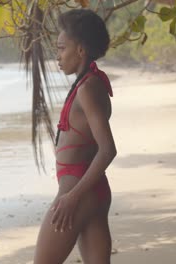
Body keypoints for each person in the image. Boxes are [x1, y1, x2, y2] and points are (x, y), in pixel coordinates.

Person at [33, 9, 117, 264]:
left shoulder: (88, 88)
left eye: (61, 48)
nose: (57, 56)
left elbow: (107, 149)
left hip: (78, 194)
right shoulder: (90, 83)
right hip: (95, 192)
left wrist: (72, 197)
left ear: (80, 50)